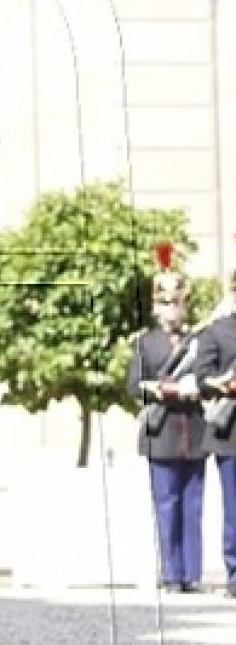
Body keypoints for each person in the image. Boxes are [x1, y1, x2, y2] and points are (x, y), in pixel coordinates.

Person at [127, 244, 206, 593]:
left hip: (194, 431)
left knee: (193, 505)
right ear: (156, 307)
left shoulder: (198, 340)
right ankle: (172, 574)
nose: (172, 309)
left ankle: (192, 574)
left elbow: (209, 377)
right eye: (165, 303)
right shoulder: (146, 344)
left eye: (177, 302)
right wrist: (162, 389)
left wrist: (196, 387)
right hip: (162, 433)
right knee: (167, 504)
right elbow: (134, 387)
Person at [194, 261, 236, 599]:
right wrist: (220, 383)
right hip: (231, 433)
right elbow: (201, 376)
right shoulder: (217, 332)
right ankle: (235, 574)